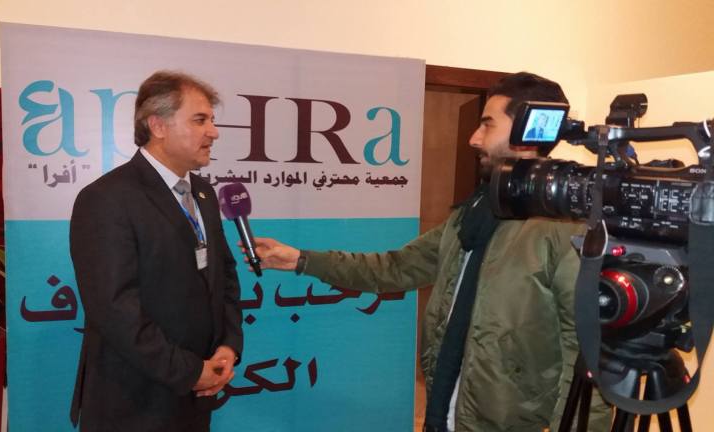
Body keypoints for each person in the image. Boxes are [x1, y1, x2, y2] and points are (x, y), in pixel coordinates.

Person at [249, 72, 611, 431]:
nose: (474, 138)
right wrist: (301, 260)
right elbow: (396, 267)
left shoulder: (567, 229)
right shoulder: (472, 213)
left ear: (526, 133)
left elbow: (586, 353)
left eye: (487, 124)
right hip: (445, 414)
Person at [69, 71, 243, 432]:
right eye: (200, 120)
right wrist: (189, 371)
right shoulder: (106, 199)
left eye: (212, 120)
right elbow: (114, 309)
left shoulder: (204, 194)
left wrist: (228, 346)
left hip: (195, 396)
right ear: (158, 125)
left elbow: (223, 276)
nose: (214, 132)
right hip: (133, 403)